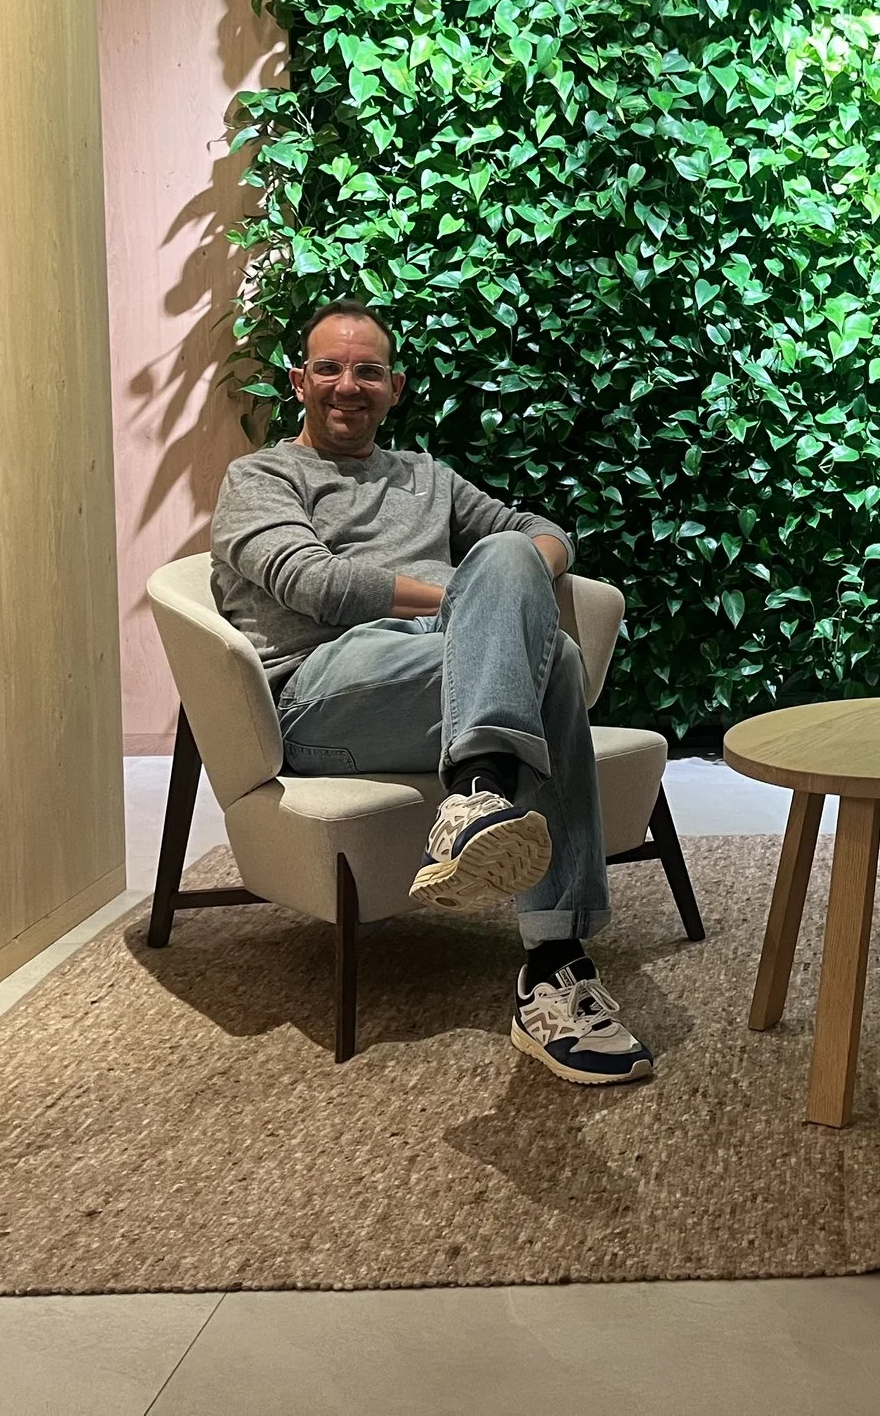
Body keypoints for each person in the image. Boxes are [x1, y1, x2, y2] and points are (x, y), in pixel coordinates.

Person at [209, 299, 652, 1086]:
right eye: (330, 367)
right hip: (321, 694)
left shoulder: (429, 477)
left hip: (440, 675)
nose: (349, 385)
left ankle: (484, 810)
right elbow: (315, 583)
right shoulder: (260, 476)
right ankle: (551, 954)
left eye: (368, 370)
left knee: (521, 578)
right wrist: (468, 597)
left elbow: (545, 532)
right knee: (539, 651)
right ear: (298, 379)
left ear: (396, 385)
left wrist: (502, 580)